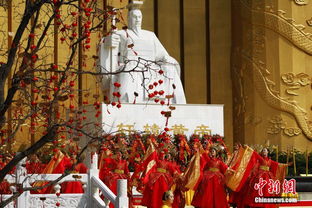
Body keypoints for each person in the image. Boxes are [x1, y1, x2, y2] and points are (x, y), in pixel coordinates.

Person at [98, 5, 186, 104]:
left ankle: (174, 102)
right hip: (131, 66)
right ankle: (126, 102)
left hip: (150, 66)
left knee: (170, 68)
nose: (137, 19)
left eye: (139, 17)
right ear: (128, 19)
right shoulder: (121, 33)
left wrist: (166, 58)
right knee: (128, 71)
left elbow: (160, 54)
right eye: (134, 17)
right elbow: (110, 50)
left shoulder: (150, 35)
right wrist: (107, 42)